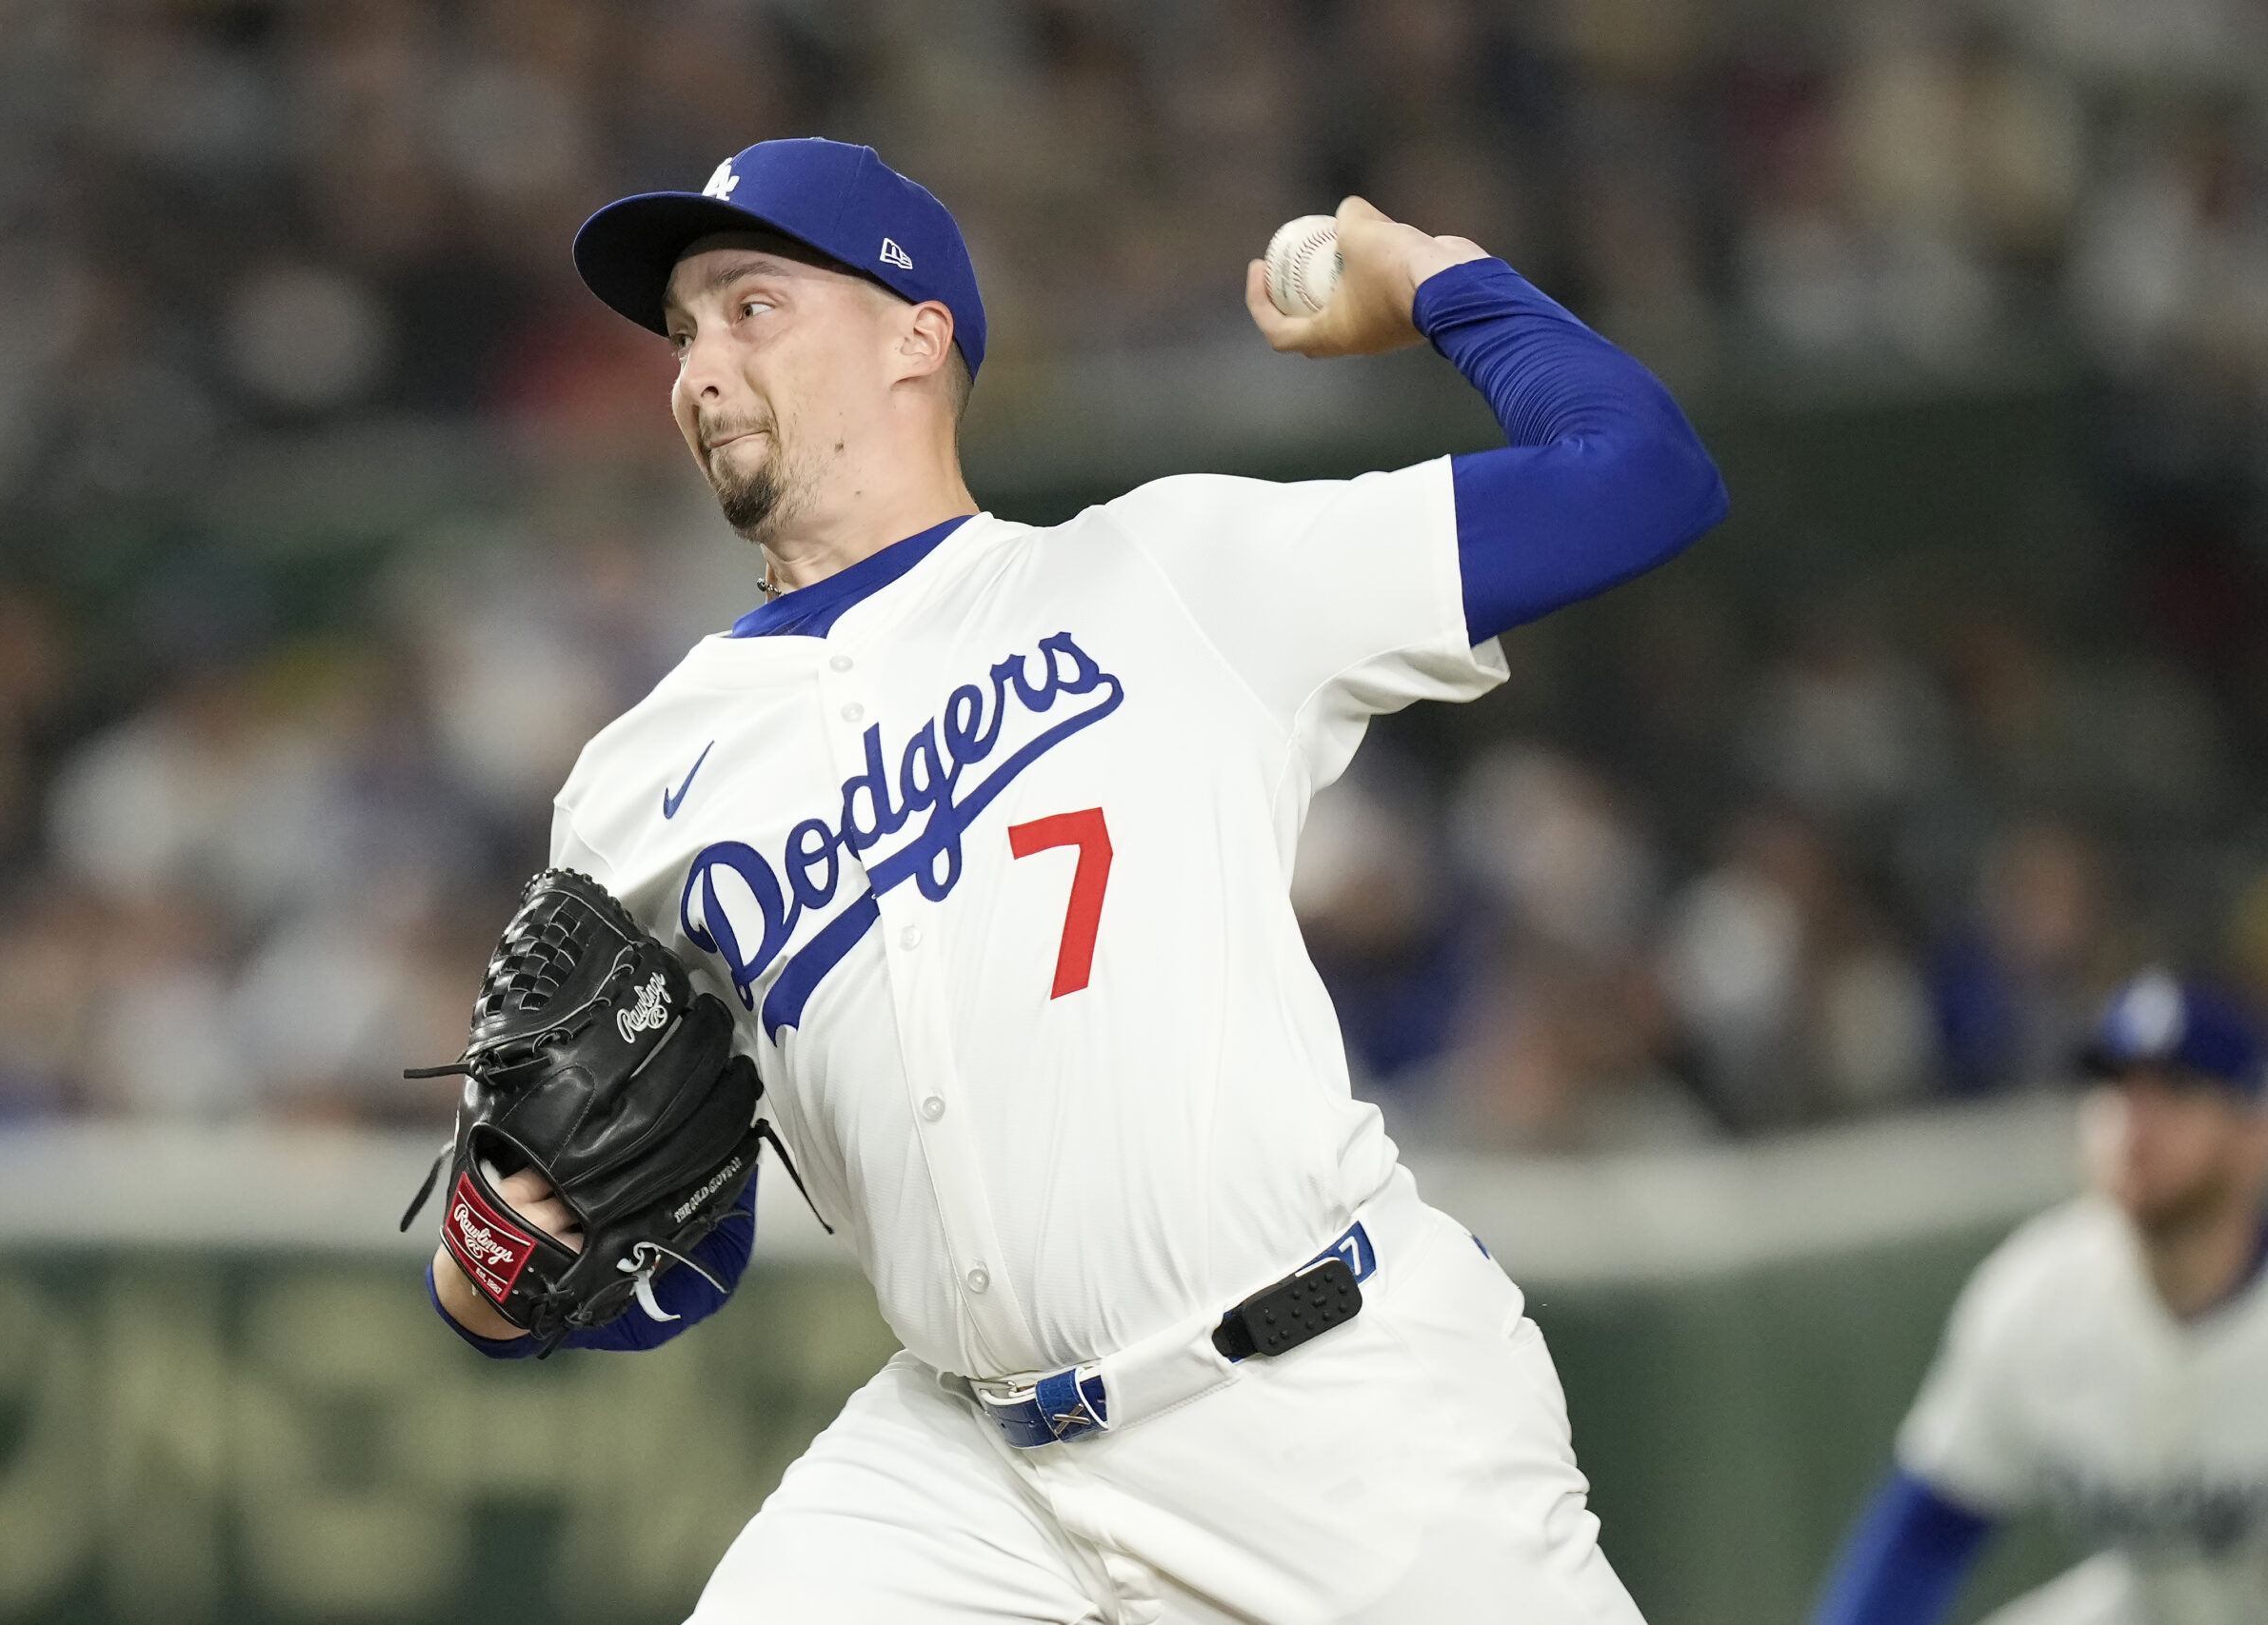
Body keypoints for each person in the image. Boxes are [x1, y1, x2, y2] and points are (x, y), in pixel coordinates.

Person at [423, 136, 1726, 1622]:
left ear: (918, 335)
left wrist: (1438, 282)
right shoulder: (631, 786)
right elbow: (676, 1228)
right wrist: (504, 1264)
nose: (698, 366)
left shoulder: (1171, 572)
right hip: (971, 1468)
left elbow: (1641, 476)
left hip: (1333, 1411)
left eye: (750, 305)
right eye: (681, 330)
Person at [1810, 969, 2268, 1625]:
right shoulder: (2041, 1294)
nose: (2134, 1120)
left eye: (2177, 1089)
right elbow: (1927, 1530)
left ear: (2254, 1131)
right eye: (2115, 1086)